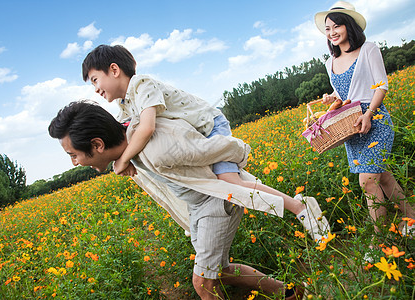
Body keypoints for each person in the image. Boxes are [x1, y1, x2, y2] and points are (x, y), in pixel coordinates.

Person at [49, 100, 307, 299]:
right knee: (221, 271)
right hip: (198, 206)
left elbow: (208, 148)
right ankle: (290, 292)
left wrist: (237, 163)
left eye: (73, 154)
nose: (74, 162)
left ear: (97, 144)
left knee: (203, 282)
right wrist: (123, 158)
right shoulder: (129, 136)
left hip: (214, 199)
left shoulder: (157, 147)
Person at [81, 44, 330, 241]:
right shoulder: (125, 105)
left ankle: (300, 208)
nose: (95, 89)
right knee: (231, 183)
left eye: (94, 80)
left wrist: (123, 159)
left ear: (114, 70)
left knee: (231, 182)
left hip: (211, 126)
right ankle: (297, 206)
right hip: (194, 139)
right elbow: (126, 136)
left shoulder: (142, 85)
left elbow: (146, 128)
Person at [314, 1, 415, 238]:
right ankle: (411, 218)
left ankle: (379, 240)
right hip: (352, 126)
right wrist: (332, 97)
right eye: (328, 29)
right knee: (384, 177)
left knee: (367, 181)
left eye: (337, 26)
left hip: (374, 119)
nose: (332, 33)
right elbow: (345, 92)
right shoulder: (330, 63)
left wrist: (369, 114)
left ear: (349, 26)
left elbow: (381, 85)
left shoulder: (368, 49)